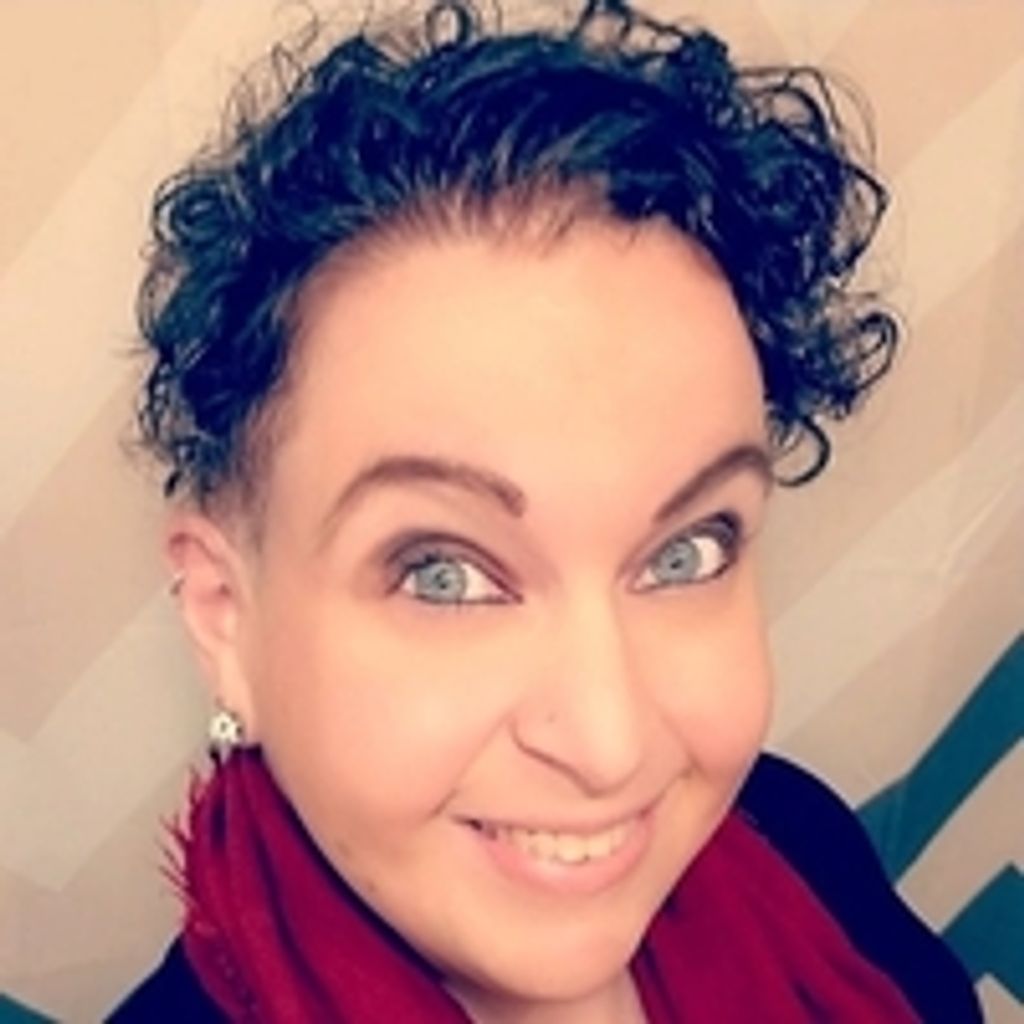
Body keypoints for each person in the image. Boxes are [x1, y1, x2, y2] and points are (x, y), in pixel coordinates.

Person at [108, 0, 982, 1020]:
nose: (611, 748)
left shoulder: (792, 834)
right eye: (443, 573)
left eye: (688, 552)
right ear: (225, 618)